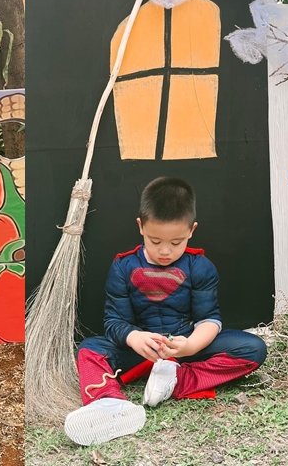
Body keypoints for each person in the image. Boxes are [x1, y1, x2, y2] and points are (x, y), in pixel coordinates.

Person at [63, 177, 268, 446]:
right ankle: (108, 403)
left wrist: (191, 346)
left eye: (176, 242)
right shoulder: (123, 267)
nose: (164, 251)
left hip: (184, 349)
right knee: (89, 349)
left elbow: (210, 319)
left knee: (253, 348)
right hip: (140, 351)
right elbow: (114, 321)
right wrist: (135, 338)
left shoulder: (200, 266)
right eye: (155, 240)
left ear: (191, 231)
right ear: (141, 226)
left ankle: (174, 381)